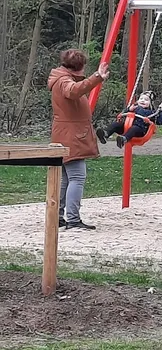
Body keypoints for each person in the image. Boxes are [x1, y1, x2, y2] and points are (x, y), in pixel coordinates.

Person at [48, 49, 109, 231]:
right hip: (71, 136)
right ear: (80, 67)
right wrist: (97, 76)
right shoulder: (65, 81)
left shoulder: (60, 77)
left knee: (66, 178)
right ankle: (73, 219)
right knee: (77, 177)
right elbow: (74, 91)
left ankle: (57, 217)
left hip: (66, 133)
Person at [96, 91, 162, 148]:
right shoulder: (134, 108)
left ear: (151, 103)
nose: (143, 101)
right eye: (141, 99)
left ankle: (123, 139)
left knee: (134, 128)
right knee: (116, 124)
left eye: (146, 100)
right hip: (126, 127)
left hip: (140, 131)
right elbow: (123, 114)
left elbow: (161, 121)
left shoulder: (152, 113)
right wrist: (128, 109)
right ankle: (105, 134)